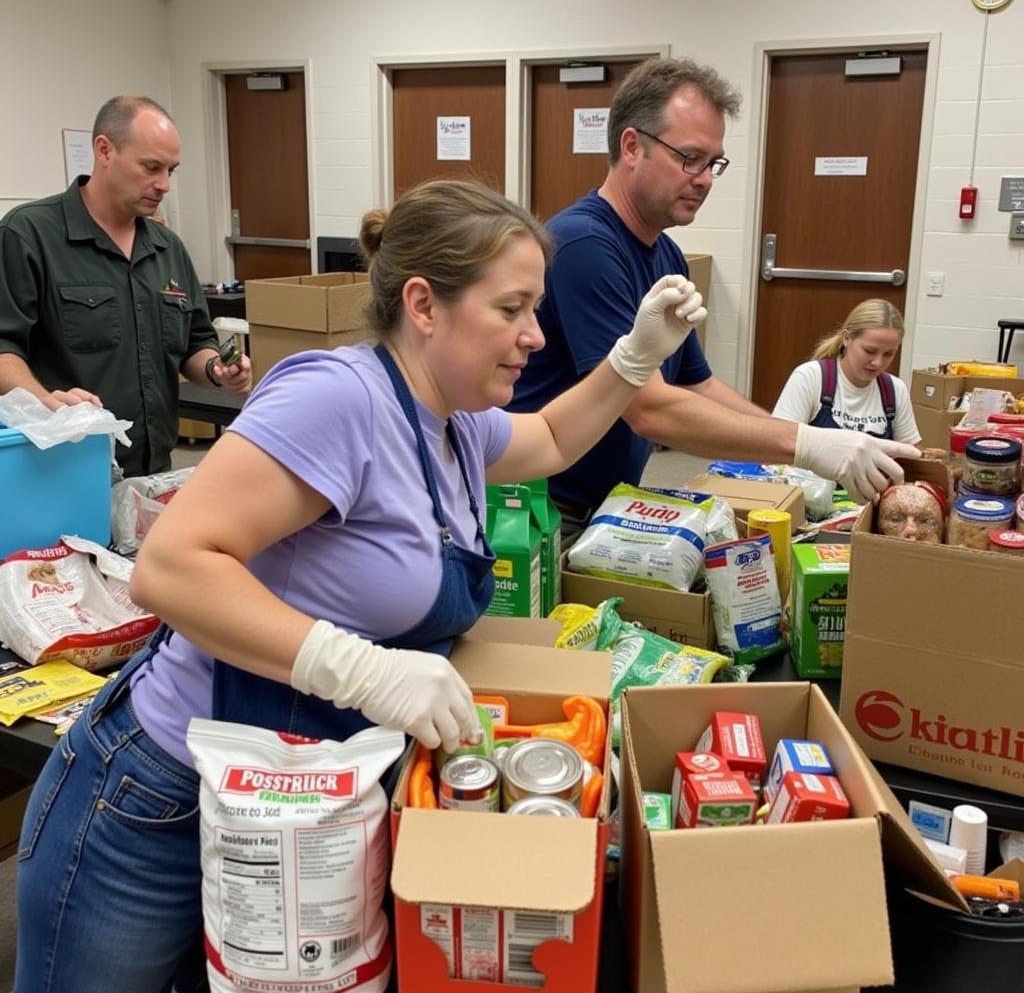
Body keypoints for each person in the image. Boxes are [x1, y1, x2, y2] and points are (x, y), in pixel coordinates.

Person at [14, 178, 706, 992]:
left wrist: (634, 357)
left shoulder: (449, 417)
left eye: (536, 310)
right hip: (160, 795)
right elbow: (170, 566)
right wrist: (364, 669)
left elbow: (553, 435)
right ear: (424, 304)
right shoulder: (339, 398)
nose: (535, 336)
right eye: (512, 309)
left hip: (294, 804)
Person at [510, 57, 918, 525]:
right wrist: (805, 445)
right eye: (689, 157)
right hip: (546, 513)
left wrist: (804, 436)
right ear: (631, 146)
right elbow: (647, 408)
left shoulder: (667, 255)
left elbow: (693, 382)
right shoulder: (585, 245)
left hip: (605, 500)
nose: (704, 179)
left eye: (713, 163)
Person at [0, 95, 251, 477]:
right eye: (151, 167)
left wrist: (218, 370)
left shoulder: (168, 248)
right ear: (104, 150)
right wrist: (45, 402)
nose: (164, 184)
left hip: (153, 470)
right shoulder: (29, 235)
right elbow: (4, 349)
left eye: (171, 170)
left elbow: (195, 344)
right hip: (62, 468)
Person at [772, 299, 928, 448]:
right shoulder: (810, 377)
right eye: (870, 351)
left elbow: (909, 458)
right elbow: (779, 444)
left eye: (888, 354)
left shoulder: (895, 390)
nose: (878, 363)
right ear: (846, 338)